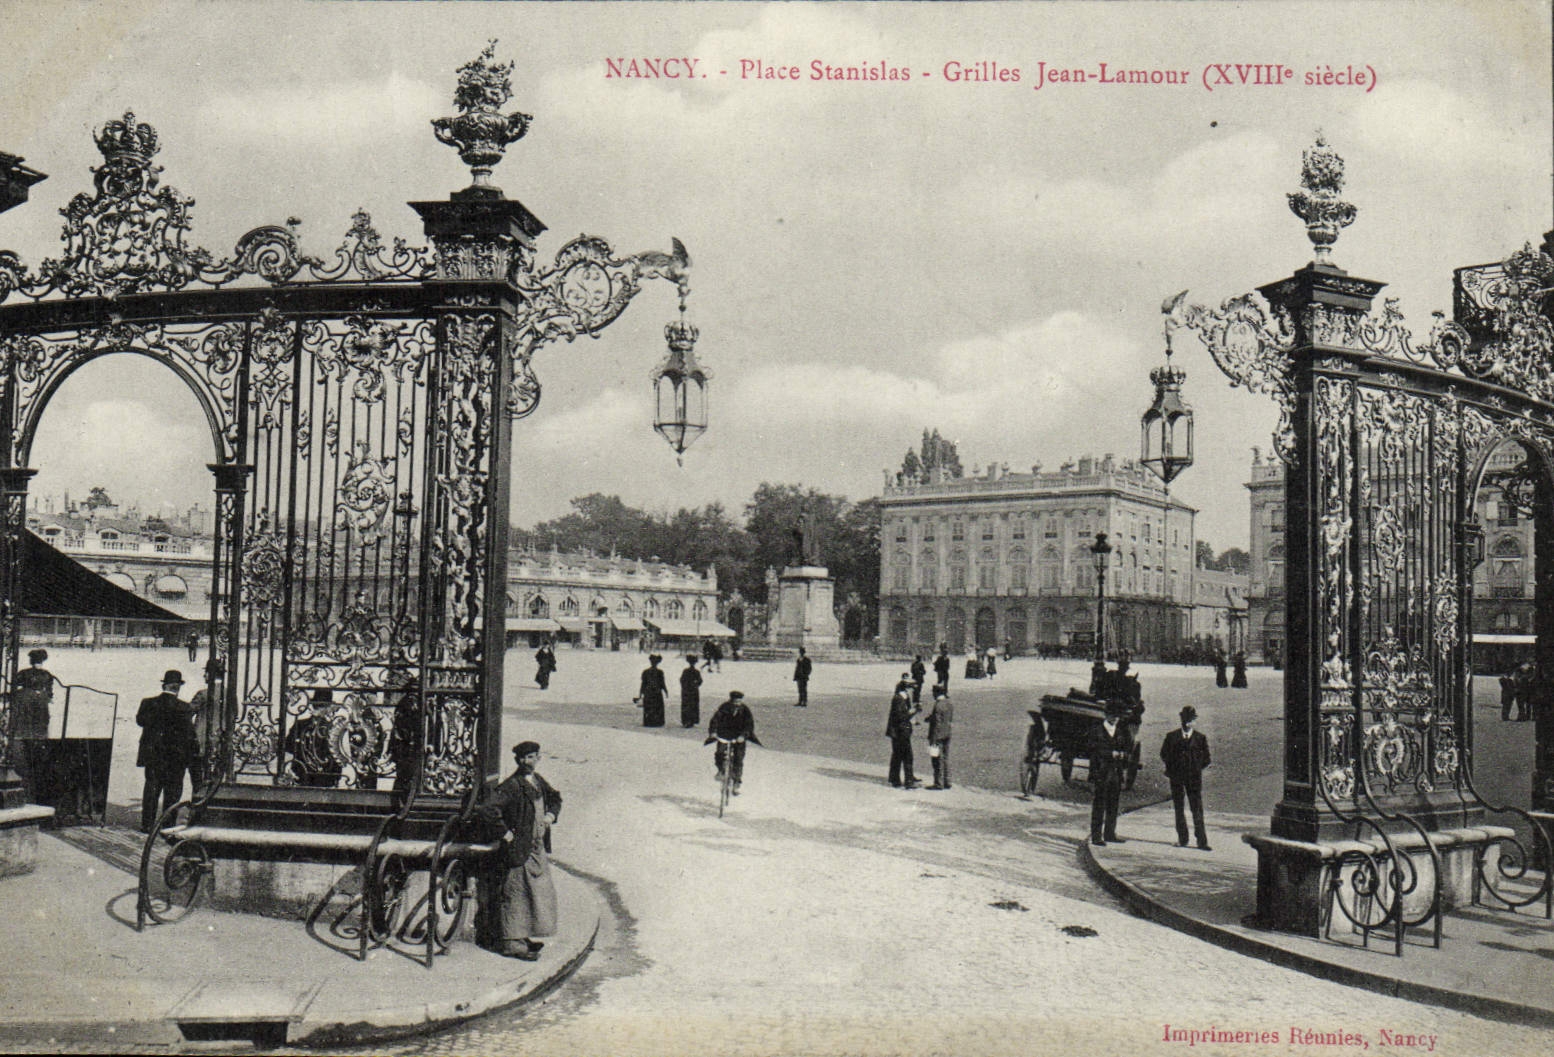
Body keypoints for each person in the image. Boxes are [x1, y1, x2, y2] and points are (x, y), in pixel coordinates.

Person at [478, 740, 562, 961]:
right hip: (519, 851)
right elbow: (488, 809)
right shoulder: (512, 785)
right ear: (519, 760)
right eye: (527, 757)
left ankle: (523, 936)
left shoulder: (537, 781)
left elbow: (555, 798)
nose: (531, 761)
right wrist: (505, 833)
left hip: (536, 849)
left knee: (535, 894)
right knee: (515, 895)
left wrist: (550, 816)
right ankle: (511, 943)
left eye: (534, 756)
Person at [136, 669, 197, 833]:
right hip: (175, 757)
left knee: (151, 789)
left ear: (164, 685)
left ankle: (147, 825)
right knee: (172, 792)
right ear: (178, 688)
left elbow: (140, 721)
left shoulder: (148, 703)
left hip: (153, 755)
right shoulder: (184, 707)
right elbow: (189, 735)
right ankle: (167, 824)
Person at [1160, 705, 1213, 850]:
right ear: (1181, 720)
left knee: (1197, 809)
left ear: (1195, 721)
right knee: (1179, 808)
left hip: (1194, 778)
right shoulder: (1172, 737)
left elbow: (1206, 759)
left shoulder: (1200, 738)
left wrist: (1195, 768)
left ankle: (1202, 841)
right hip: (1176, 777)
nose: (1188, 723)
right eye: (1185, 720)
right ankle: (1182, 839)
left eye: (1191, 720)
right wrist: (1173, 768)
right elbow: (1164, 754)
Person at [11, 648, 57, 802]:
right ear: (42, 661)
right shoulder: (47, 675)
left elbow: (14, 686)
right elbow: (50, 694)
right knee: (40, 731)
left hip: (24, 705)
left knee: (23, 731)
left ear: (31, 661)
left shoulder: (24, 673)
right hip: (40, 707)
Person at [1087, 699, 1133, 846]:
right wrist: (1110, 753)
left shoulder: (1121, 731)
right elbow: (1092, 748)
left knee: (1113, 804)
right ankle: (1096, 836)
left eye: (1118, 716)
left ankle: (1110, 833)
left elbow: (1128, 748)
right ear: (1106, 715)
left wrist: (1123, 755)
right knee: (1099, 804)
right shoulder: (1096, 730)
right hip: (1101, 772)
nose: (1116, 718)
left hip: (1115, 773)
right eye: (1113, 715)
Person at [285, 689, 343, 788]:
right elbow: (339, 756)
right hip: (325, 778)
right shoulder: (333, 728)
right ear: (329, 707)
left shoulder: (300, 724)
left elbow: (288, 747)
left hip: (303, 775)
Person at [706, 690, 760, 793]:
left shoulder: (745, 710)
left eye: (739, 702)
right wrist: (713, 732)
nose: (737, 704)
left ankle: (736, 782)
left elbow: (749, 725)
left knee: (738, 758)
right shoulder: (724, 708)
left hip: (739, 737)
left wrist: (743, 736)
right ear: (730, 700)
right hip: (724, 735)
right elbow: (715, 720)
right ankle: (721, 770)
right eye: (735, 702)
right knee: (720, 753)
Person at [186, 658, 221, 790]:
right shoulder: (230, 694)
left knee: (197, 774)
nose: (204, 676)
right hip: (220, 739)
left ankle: (198, 795)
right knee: (216, 775)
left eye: (205, 673)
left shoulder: (203, 694)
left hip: (201, 740)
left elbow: (188, 713)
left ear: (210, 674)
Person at [885, 683, 921, 789]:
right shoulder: (899, 700)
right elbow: (902, 716)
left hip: (898, 732)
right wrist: (914, 711)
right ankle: (908, 781)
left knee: (897, 755)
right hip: (900, 733)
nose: (911, 692)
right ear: (905, 690)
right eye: (910, 689)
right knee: (907, 756)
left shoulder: (900, 699)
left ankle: (894, 778)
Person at [925, 686, 953, 790]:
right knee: (945, 758)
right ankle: (947, 781)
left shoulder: (937, 705)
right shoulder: (949, 703)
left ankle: (938, 783)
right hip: (947, 733)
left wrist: (934, 739)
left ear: (936, 693)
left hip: (937, 736)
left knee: (936, 760)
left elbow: (937, 723)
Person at [637, 654, 667, 727]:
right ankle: (657, 722)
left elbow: (643, 683)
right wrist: (665, 690)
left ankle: (649, 721)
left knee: (649, 707)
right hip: (657, 692)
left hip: (648, 692)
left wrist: (641, 693)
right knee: (657, 707)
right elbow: (662, 683)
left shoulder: (646, 672)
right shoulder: (660, 672)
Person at [680, 655, 704, 728]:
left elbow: (681, 680)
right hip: (693, 691)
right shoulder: (696, 672)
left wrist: (684, 686)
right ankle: (692, 720)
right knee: (693, 705)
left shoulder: (686, 671)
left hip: (686, 691)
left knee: (686, 705)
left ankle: (686, 720)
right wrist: (695, 685)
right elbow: (700, 681)